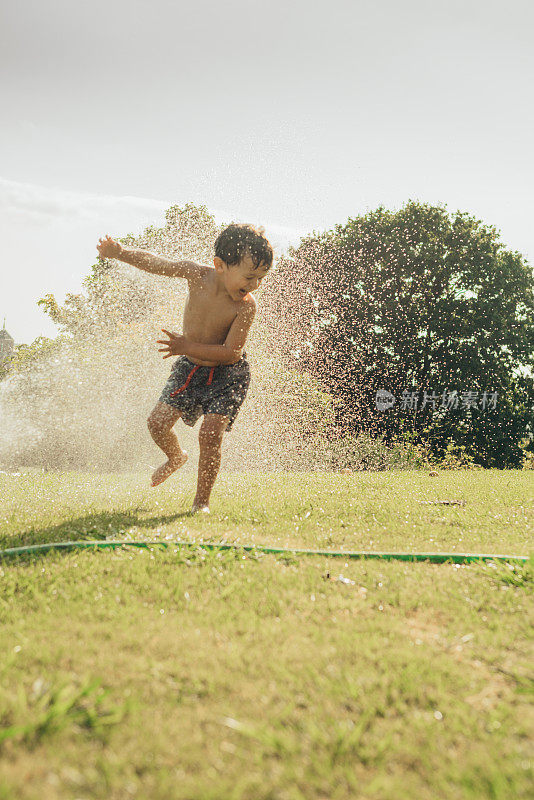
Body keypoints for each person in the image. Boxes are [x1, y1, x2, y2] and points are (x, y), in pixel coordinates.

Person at [96, 223, 273, 513]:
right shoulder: (197, 275)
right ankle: (176, 456)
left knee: (210, 434)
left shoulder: (245, 306)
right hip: (189, 370)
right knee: (156, 423)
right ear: (220, 266)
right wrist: (120, 252)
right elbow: (158, 264)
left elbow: (230, 353)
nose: (254, 285)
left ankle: (201, 502)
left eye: (261, 278)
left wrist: (186, 346)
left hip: (229, 375)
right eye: (250, 276)